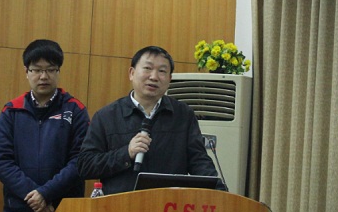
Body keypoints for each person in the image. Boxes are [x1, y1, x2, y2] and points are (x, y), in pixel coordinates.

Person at [0, 39, 90, 212]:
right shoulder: (11, 110)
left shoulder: (75, 110)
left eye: (50, 69)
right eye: (37, 69)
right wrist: (34, 196)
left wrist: (46, 193)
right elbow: (1, 161)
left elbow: (80, 161)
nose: (43, 76)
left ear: (58, 71)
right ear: (26, 71)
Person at [77, 45, 226, 194]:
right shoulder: (107, 116)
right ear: (131, 73)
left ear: (169, 79)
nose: (154, 77)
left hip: (169, 203)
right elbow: (85, 165)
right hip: (121, 204)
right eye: (147, 68)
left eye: (162, 71)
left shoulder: (183, 115)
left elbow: (199, 161)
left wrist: (220, 193)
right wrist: (126, 153)